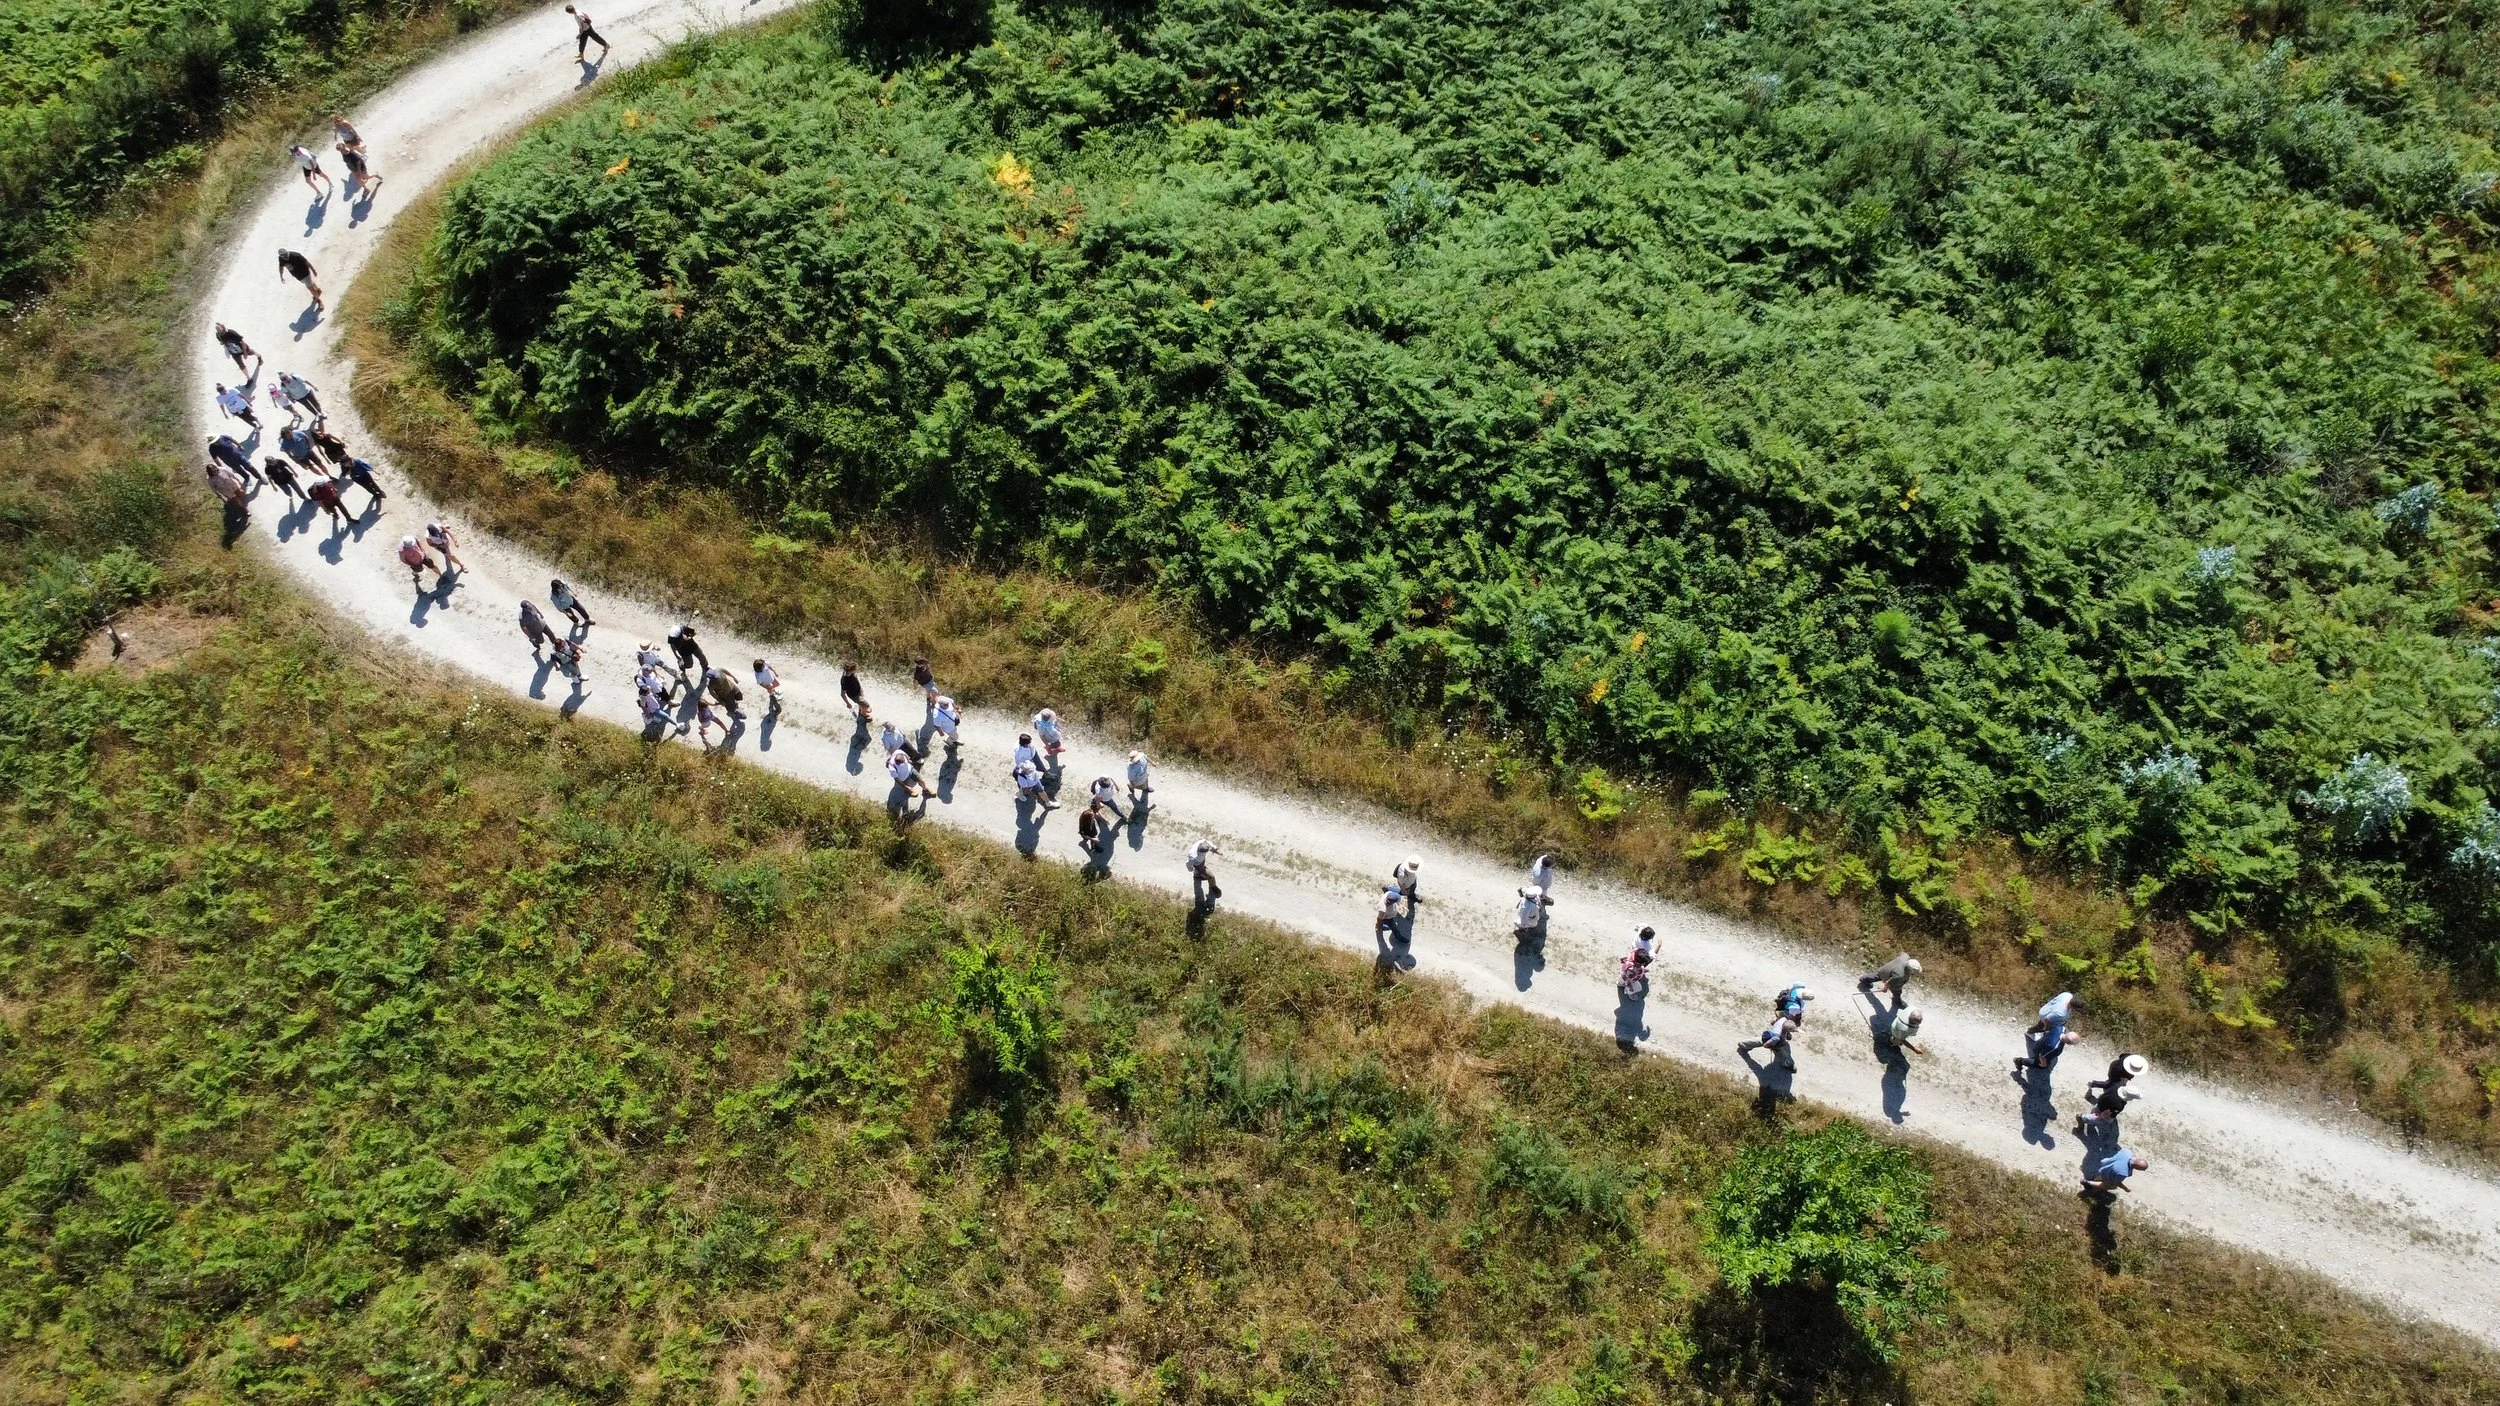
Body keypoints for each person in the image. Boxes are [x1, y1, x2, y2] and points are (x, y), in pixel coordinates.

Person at [2019, 992, 2080, 1073]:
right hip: (2046, 1016)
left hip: (2048, 1009)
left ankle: (2032, 1033)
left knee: (2047, 1033)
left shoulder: (2068, 995)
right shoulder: (2061, 1013)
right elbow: (2047, 1019)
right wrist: (2047, 1028)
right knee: (2040, 1028)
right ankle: (2029, 1033)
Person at [1858, 953, 1922, 1007]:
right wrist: (1885, 989)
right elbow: (1888, 982)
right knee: (1897, 991)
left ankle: (1863, 979)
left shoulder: (1905, 956)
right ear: (1909, 970)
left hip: (1886, 969)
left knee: (1877, 976)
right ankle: (1896, 1000)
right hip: (1889, 976)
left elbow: (1900, 954)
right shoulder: (1899, 975)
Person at [2081, 1148, 2149, 1195]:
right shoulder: (2123, 1173)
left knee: (2101, 1175)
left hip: (2105, 1165)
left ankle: (2094, 1179)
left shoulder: (2127, 1152)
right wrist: (2125, 1188)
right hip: (2107, 1174)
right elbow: (2117, 1182)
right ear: (2136, 1168)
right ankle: (2088, 1183)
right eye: (2141, 1169)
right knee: (2111, 1186)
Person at [1185, 838, 1223, 907]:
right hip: (1198, 865)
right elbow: (1188, 864)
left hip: (1201, 862)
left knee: (1200, 874)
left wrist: (1217, 851)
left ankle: (1198, 876)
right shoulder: (1193, 856)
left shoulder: (1203, 843)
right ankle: (1212, 888)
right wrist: (1191, 869)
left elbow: (1211, 846)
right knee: (1211, 876)